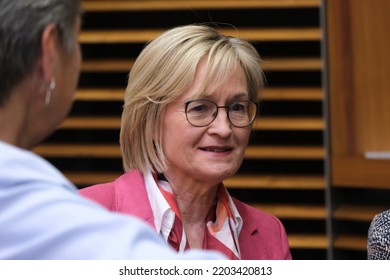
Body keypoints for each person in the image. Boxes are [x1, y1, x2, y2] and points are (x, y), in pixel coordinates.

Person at [0, 0, 225, 260]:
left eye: (239, 107)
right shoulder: (36, 207)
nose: (224, 127)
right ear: (50, 51)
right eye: (76, 42)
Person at [80, 25, 292, 260]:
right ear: (150, 119)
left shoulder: (269, 233)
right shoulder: (84, 217)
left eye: (237, 108)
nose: (224, 128)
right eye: (200, 108)